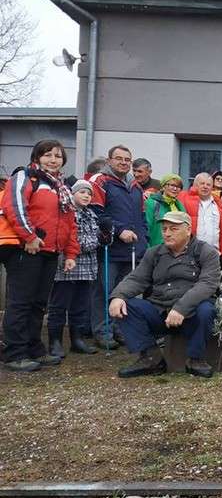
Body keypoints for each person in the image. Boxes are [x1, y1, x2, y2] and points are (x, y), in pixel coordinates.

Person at [110, 211, 220, 378]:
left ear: (188, 230)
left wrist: (181, 308)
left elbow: (207, 284)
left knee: (206, 310)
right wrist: (118, 296)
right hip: (159, 310)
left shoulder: (206, 252)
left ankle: (195, 359)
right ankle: (151, 359)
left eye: (173, 229)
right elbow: (137, 279)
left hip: (191, 315)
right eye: (164, 229)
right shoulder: (153, 253)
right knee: (127, 305)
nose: (167, 233)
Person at [1, 140, 79, 372]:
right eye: (47, 155)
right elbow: (15, 206)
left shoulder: (61, 188)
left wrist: (71, 253)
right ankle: (14, 353)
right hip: (26, 249)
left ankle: (34, 349)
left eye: (58, 156)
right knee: (20, 302)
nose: (53, 160)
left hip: (50, 251)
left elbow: (70, 223)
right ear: (37, 157)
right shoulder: (25, 177)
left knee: (38, 304)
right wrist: (30, 236)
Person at [88, 145, 149, 349]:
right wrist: (119, 230)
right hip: (110, 248)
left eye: (127, 159)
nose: (123, 162)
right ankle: (103, 331)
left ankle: (120, 329)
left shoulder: (136, 186)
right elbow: (96, 213)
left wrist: (144, 238)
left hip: (132, 250)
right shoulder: (100, 181)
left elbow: (142, 216)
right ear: (109, 161)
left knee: (125, 292)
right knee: (105, 291)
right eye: (119, 158)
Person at [47, 180, 112, 358]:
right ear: (73, 193)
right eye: (82, 192)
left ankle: (77, 340)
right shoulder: (67, 212)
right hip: (67, 265)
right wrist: (97, 241)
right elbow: (76, 241)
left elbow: (100, 238)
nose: (86, 196)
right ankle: (55, 342)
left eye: (89, 193)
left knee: (80, 306)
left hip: (88, 268)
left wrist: (107, 235)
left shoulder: (91, 214)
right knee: (59, 305)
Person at [178, 172, 222, 260]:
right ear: (195, 185)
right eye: (202, 183)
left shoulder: (221, 205)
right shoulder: (183, 198)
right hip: (189, 254)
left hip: (214, 255)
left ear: (212, 187)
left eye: (208, 184)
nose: (205, 186)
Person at [144, 173, 186, 247]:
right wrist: (148, 249)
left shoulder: (179, 206)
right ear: (163, 186)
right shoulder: (151, 203)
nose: (175, 189)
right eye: (172, 185)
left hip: (176, 248)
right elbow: (145, 228)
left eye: (178, 186)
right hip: (157, 248)